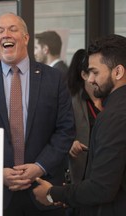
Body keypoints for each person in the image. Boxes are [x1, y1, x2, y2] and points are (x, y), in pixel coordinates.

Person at [0, 12, 75, 216]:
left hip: (43, 189)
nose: (5, 34)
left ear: (26, 38)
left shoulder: (54, 79)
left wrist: (40, 167)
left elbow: (66, 130)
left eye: (12, 29)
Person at [33, 34, 126, 216]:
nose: (90, 79)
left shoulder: (114, 116)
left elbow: (101, 188)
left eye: (95, 72)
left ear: (118, 72)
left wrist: (53, 193)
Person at [67, 49, 103, 186]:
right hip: (82, 170)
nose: (96, 78)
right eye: (94, 73)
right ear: (83, 75)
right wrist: (70, 143)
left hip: (108, 166)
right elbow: (60, 132)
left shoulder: (112, 99)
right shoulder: (71, 101)